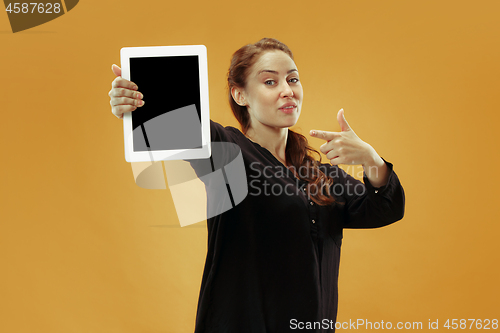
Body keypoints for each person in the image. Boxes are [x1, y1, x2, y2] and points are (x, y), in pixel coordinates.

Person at [108, 38, 405, 333]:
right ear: (240, 95)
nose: (288, 90)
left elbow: (385, 208)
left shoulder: (321, 175)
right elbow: (170, 120)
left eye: (293, 79)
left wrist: (370, 158)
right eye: (270, 82)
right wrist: (132, 102)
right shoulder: (226, 151)